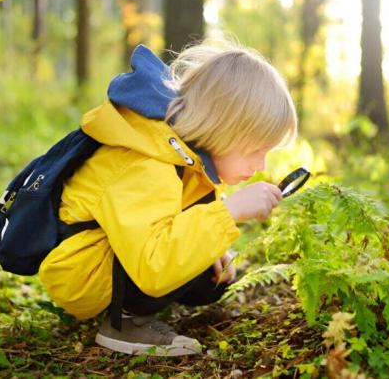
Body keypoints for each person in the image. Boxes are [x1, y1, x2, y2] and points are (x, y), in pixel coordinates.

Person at [38, 41, 297, 356]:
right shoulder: (147, 161)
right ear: (222, 128)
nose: (261, 166)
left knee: (209, 278)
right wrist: (228, 213)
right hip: (83, 273)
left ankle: (135, 307)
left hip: (124, 255)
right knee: (186, 258)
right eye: (256, 150)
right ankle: (125, 324)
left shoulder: (188, 157)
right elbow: (153, 261)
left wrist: (210, 244)